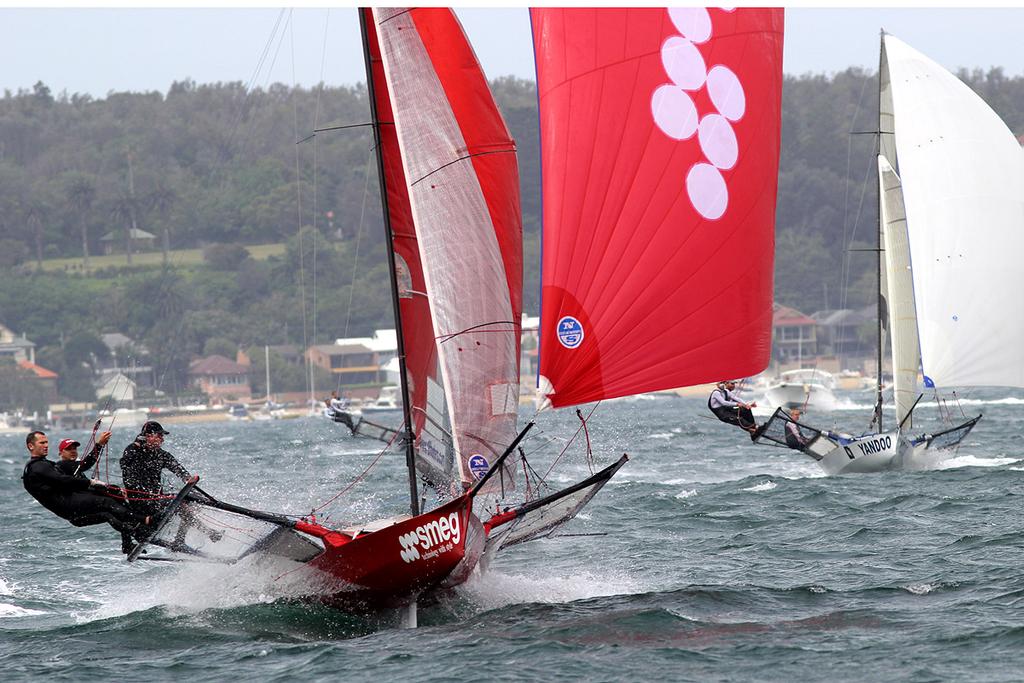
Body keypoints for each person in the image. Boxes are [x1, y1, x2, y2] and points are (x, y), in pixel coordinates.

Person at [22, 431, 151, 548]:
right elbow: (65, 480)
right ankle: (144, 521)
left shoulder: (43, 465)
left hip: (69, 510)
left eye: (46, 442)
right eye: (42, 443)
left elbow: (73, 477)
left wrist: (106, 488)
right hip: (70, 507)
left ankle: (132, 538)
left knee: (108, 509)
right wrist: (91, 481)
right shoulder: (40, 467)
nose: (46, 445)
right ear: (31, 446)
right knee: (106, 502)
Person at [120, 420, 219, 551]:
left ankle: (180, 539)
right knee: (179, 503)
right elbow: (125, 470)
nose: (162, 440)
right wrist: (132, 489)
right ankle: (207, 532)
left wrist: (189, 480)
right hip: (141, 503)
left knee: (190, 499)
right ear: (149, 436)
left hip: (156, 500)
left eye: (162, 436)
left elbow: (179, 469)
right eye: (160, 436)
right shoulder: (133, 450)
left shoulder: (160, 454)